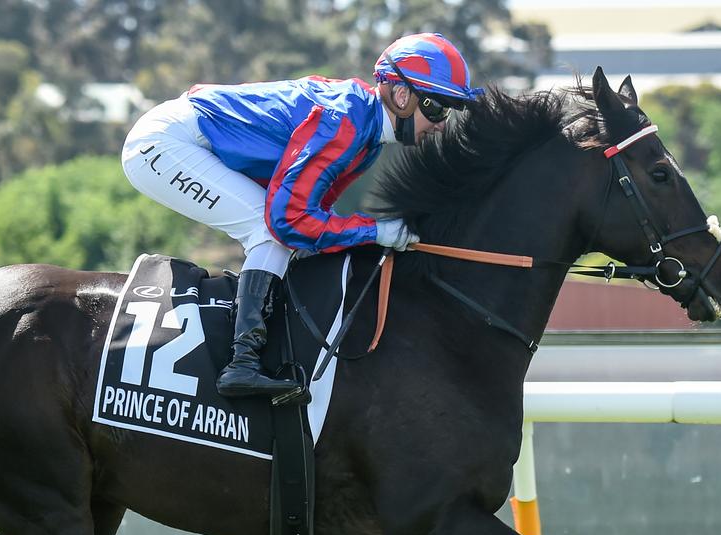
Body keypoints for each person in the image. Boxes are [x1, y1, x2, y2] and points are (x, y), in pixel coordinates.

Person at [122, 33, 483, 398]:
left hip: (186, 136)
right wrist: (376, 231)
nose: (441, 124)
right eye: (436, 108)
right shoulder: (346, 122)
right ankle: (242, 363)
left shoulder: (368, 135)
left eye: (448, 111)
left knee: (282, 235)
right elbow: (290, 221)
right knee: (269, 230)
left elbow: (317, 218)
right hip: (163, 144)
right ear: (402, 96)